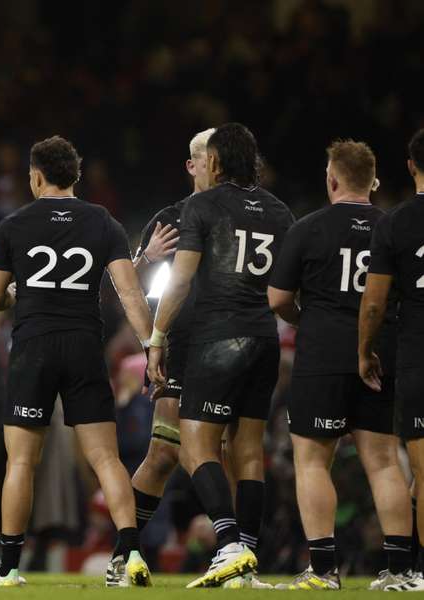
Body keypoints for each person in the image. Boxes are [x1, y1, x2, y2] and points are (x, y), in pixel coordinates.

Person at [0, 135, 154, 587]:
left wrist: (20, 293)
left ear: (35, 177)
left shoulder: (13, 225)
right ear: (75, 176)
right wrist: (153, 344)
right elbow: (129, 292)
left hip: (34, 346)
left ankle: (10, 567)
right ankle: (132, 554)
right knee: (106, 458)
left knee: (21, 462)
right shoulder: (104, 223)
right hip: (83, 347)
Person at [146, 123, 294, 588]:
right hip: (265, 339)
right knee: (249, 452)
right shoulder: (279, 211)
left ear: (214, 161)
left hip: (217, 339)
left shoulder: (202, 205)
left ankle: (228, 544)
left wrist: (156, 337)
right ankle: (247, 559)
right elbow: (284, 289)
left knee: (195, 446)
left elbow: (182, 280)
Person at [268, 140, 414, 590]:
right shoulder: (395, 227)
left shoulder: (308, 228)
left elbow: (277, 299)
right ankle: (401, 570)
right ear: (373, 181)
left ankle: (323, 570)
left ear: (331, 179)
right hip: (381, 355)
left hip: (323, 355)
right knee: (385, 462)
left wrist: (308, 319)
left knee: (313, 461)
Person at [129, 129, 212, 536]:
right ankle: (123, 553)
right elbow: (123, 287)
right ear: (191, 165)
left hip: (227, 348)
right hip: (177, 348)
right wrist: (147, 257)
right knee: (163, 453)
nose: (212, 167)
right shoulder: (168, 220)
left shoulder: (239, 215)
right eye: (205, 159)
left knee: (225, 456)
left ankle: (236, 553)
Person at [360, 127, 424, 592]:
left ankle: (413, 571)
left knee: (423, 470)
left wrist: (365, 349)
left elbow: (376, 302)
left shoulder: (396, 223)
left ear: (410, 166)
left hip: (417, 353)